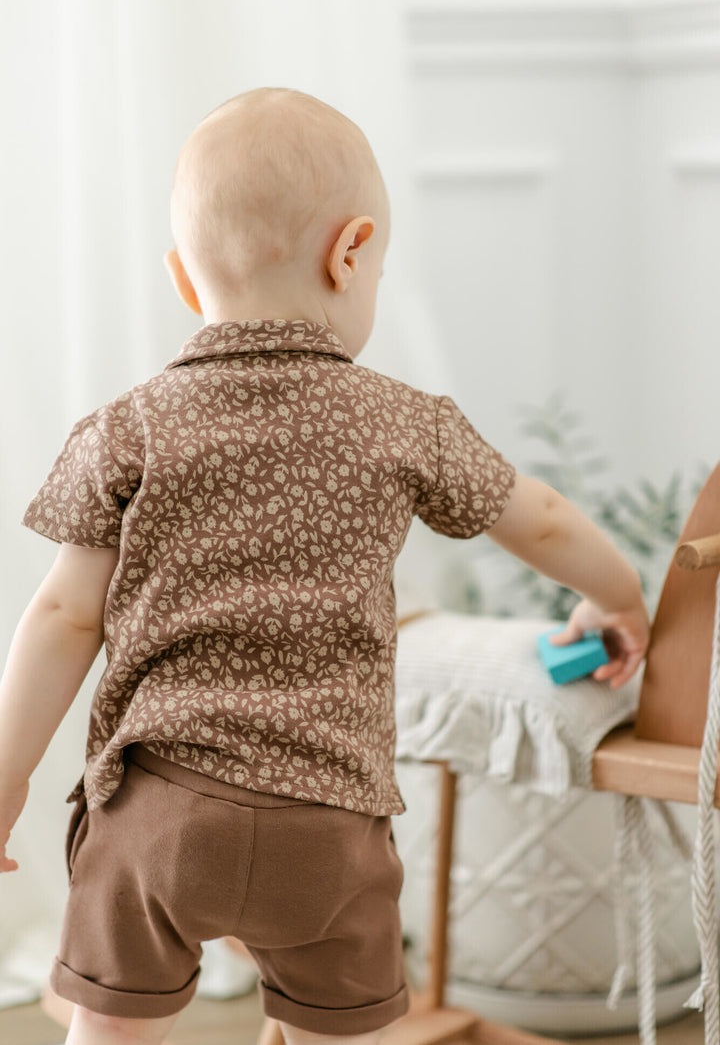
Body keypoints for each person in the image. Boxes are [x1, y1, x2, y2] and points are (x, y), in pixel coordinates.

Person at [0, 88, 650, 1045]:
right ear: (352, 252)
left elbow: (61, 617)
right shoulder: (403, 421)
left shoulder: (126, 427)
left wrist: (7, 778)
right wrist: (615, 594)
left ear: (187, 281)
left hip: (157, 814)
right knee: (343, 1030)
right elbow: (543, 520)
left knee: (111, 1027)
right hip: (328, 822)